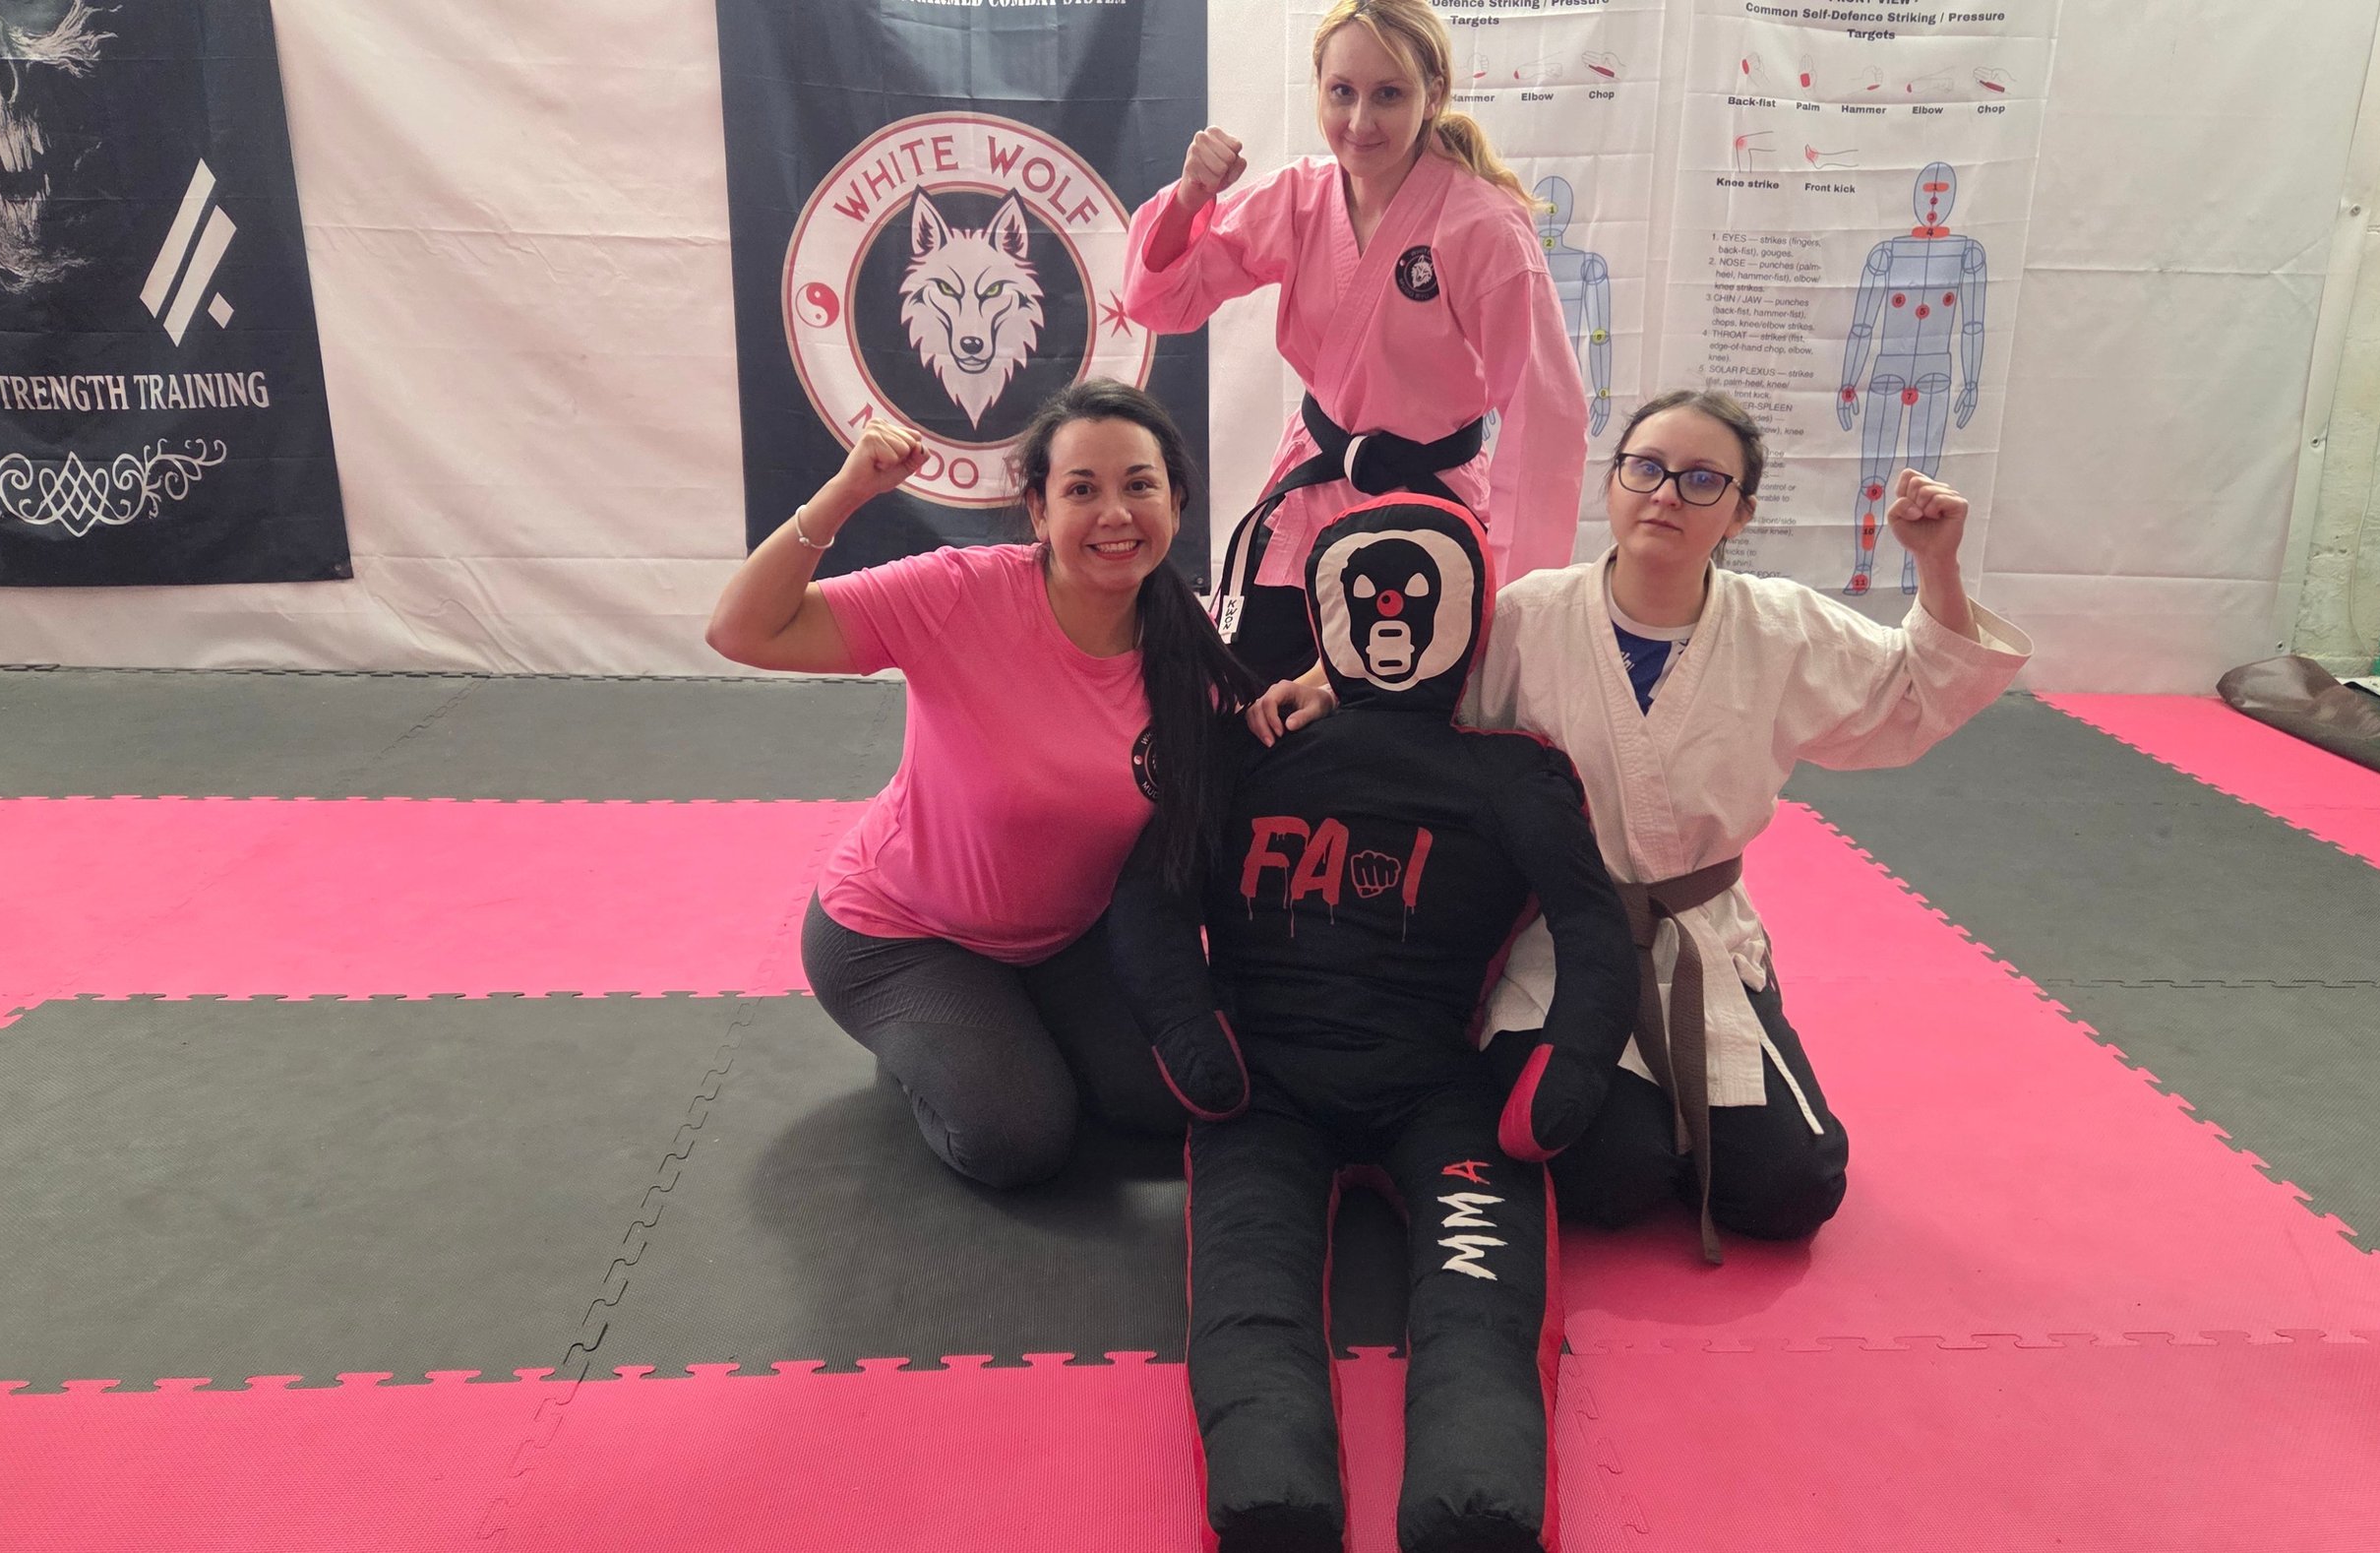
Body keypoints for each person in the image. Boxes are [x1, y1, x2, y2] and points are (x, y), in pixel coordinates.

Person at [1254, 390, 2033, 1257]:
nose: (1666, 494)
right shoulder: (1529, 615)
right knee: (1609, 1179)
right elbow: (1412, 687)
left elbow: (1917, 687)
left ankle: (1734, 1058)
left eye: (1703, 480)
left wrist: (1937, 563)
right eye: (1646, 469)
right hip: (1558, 941)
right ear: (1613, 484)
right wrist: (1320, 686)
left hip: (1696, 935)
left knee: (1791, 1190)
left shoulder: (1782, 628)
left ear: (1740, 510)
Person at [1112, 494, 1636, 1553]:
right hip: (1261, 1086)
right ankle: (1269, 1490)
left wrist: (1567, 1069)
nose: (1392, 616)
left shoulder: (1512, 777)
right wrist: (1189, 1033)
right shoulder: (1243, 754)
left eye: (1414, 597)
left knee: (1477, 1306)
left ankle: (1478, 1499)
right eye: (1368, 595)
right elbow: (1148, 902)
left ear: (1463, 612)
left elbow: (1593, 926)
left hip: (1439, 1087)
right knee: (1248, 1291)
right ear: (1327, 609)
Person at [706, 379, 1260, 1189]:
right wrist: (844, 494)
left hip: (1064, 938)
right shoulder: (959, 594)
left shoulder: (1191, 641)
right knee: (1018, 1138)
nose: (1115, 514)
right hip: (898, 935)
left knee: (1170, 1095)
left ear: (1176, 501)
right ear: (1038, 510)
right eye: (1081, 490)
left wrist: (1309, 693)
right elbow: (741, 629)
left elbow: (1260, 735)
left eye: (1139, 485)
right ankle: (914, 1057)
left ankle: (1003, 1026)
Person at [1125, 0, 1586, 684]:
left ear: (1433, 96)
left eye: (1388, 95)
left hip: (1430, 509)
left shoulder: (1483, 227)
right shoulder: (1298, 199)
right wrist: (1192, 196)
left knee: (1397, 736)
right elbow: (1164, 300)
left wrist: (1516, 589)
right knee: (1253, 695)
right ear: (1318, 88)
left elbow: (1547, 413)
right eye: (1342, 92)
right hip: (1313, 493)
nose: (1360, 122)